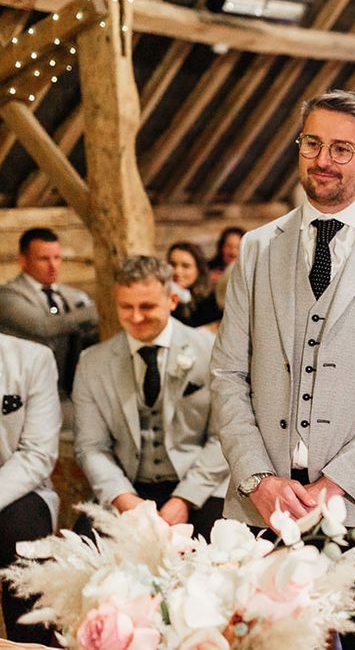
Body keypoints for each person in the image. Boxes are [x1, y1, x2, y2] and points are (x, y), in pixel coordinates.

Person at [211, 90, 355, 650]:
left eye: (342, 148)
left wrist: (338, 482)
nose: (323, 159)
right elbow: (226, 376)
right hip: (265, 505)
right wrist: (259, 480)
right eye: (313, 143)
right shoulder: (258, 249)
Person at [73, 256, 228, 541]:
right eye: (126, 307)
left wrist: (185, 499)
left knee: (220, 554)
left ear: (171, 299)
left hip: (202, 487)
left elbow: (225, 437)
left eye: (146, 306)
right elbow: (91, 447)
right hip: (129, 487)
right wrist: (123, 499)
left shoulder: (211, 350)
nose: (135, 317)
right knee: (82, 555)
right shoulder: (92, 362)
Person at [0, 333, 61, 645]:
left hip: (18, 487)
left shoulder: (33, 358)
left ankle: (30, 640)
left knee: (23, 529)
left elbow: (37, 454)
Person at [0, 227, 98, 397]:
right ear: (23, 260)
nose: (52, 265)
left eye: (57, 257)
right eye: (43, 259)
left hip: (68, 389)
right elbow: (44, 326)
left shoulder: (71, 295)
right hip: (23, 393)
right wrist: (97, 309)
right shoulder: (7, 295)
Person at [168, 241, 222, 328]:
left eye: (185, 266)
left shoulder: (211, 301)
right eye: (172, 264)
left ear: (199, 269)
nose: (177, 271)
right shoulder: (161, 297)